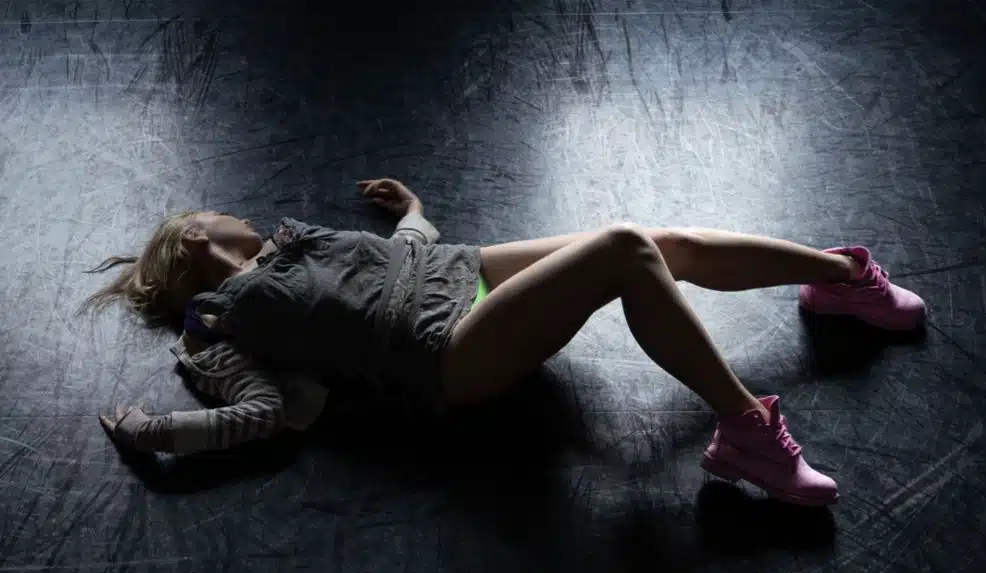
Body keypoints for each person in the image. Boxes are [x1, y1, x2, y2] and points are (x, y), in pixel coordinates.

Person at [83, 178, 926, 506]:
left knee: (657, 240)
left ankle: (840, 277)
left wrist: (413, 214)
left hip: (464, 273)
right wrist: (158, 433)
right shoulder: (226, 318)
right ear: (196, 236)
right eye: (216, 213)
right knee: (623, 249)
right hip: (449, 350)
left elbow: (389, 264)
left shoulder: (286, 244)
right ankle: (746, 433)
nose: (233, 211)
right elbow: (263, 410)